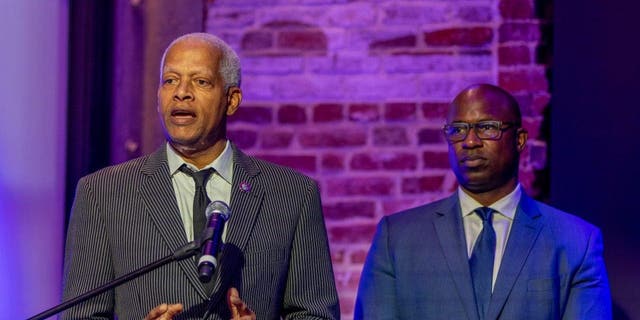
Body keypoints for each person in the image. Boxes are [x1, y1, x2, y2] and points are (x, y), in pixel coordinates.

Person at [61, 33, 340, 320]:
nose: (181, 92)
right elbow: (78, 316)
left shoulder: (292, 195)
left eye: (200, 81)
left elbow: (315, 314)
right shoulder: (103, 193)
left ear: (232, 100)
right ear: (158, 98)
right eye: (170, 80)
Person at [354, 84, 611, 319]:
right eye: (457, 130)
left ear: (519, 140)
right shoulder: (398, 238)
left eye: (487, 127)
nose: (470, 142)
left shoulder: (576, 241)